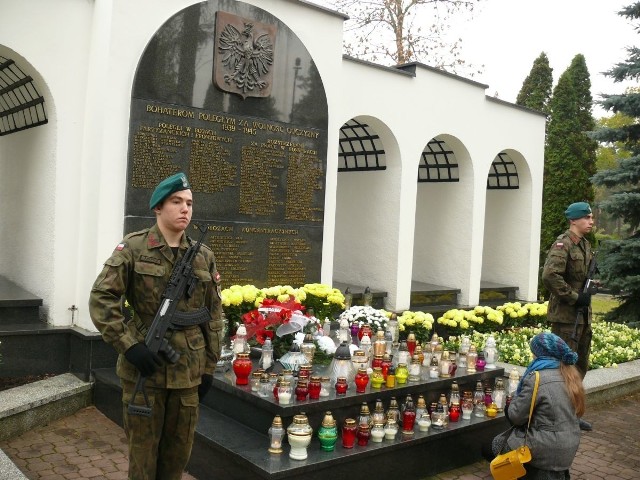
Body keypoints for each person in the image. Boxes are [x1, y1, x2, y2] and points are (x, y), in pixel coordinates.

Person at [89, 172, 224, 480]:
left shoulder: (203, 256)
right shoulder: (134, 248)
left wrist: (209, 369)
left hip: (189, 373)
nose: (185, 209)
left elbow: (213, 316)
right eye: (176, 202)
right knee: (143, 461)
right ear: (158, 208)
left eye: (189, 203)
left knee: (177, 459)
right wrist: (130, 346)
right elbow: (102, 299)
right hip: (145, 371)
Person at [488, 332, 585, 480]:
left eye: (533, 352)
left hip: (547, 447)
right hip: (570, 444)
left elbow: (516, 416)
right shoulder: (571, 375)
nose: (532, 356)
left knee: (495, 445)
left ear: (540, 354)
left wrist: (511, 401)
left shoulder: (537, 377)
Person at [541, 201, 595, 431]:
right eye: (587, 217)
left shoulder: (584, 244)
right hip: (566, 318)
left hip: (582, 316)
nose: (591, 221)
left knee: (580, 365)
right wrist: (574, 297)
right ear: (574, 220)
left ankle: (570, 414)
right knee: (563, 368)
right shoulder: (563, 245)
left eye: (591, 218)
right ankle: (555, 416)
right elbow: (550, 275)